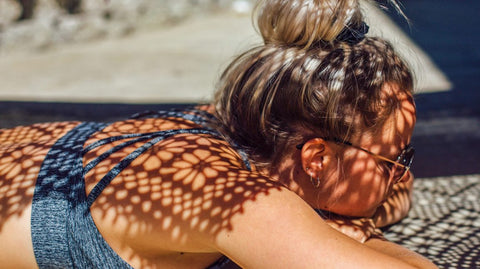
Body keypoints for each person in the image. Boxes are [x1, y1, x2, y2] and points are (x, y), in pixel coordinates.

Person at [0, 0, 437, 268]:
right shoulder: (242, 203)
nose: (402, 174)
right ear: (316, 158)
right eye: (395, 160)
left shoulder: (236, 124)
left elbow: (392, 193)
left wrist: (340, 214)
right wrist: (356, 234)